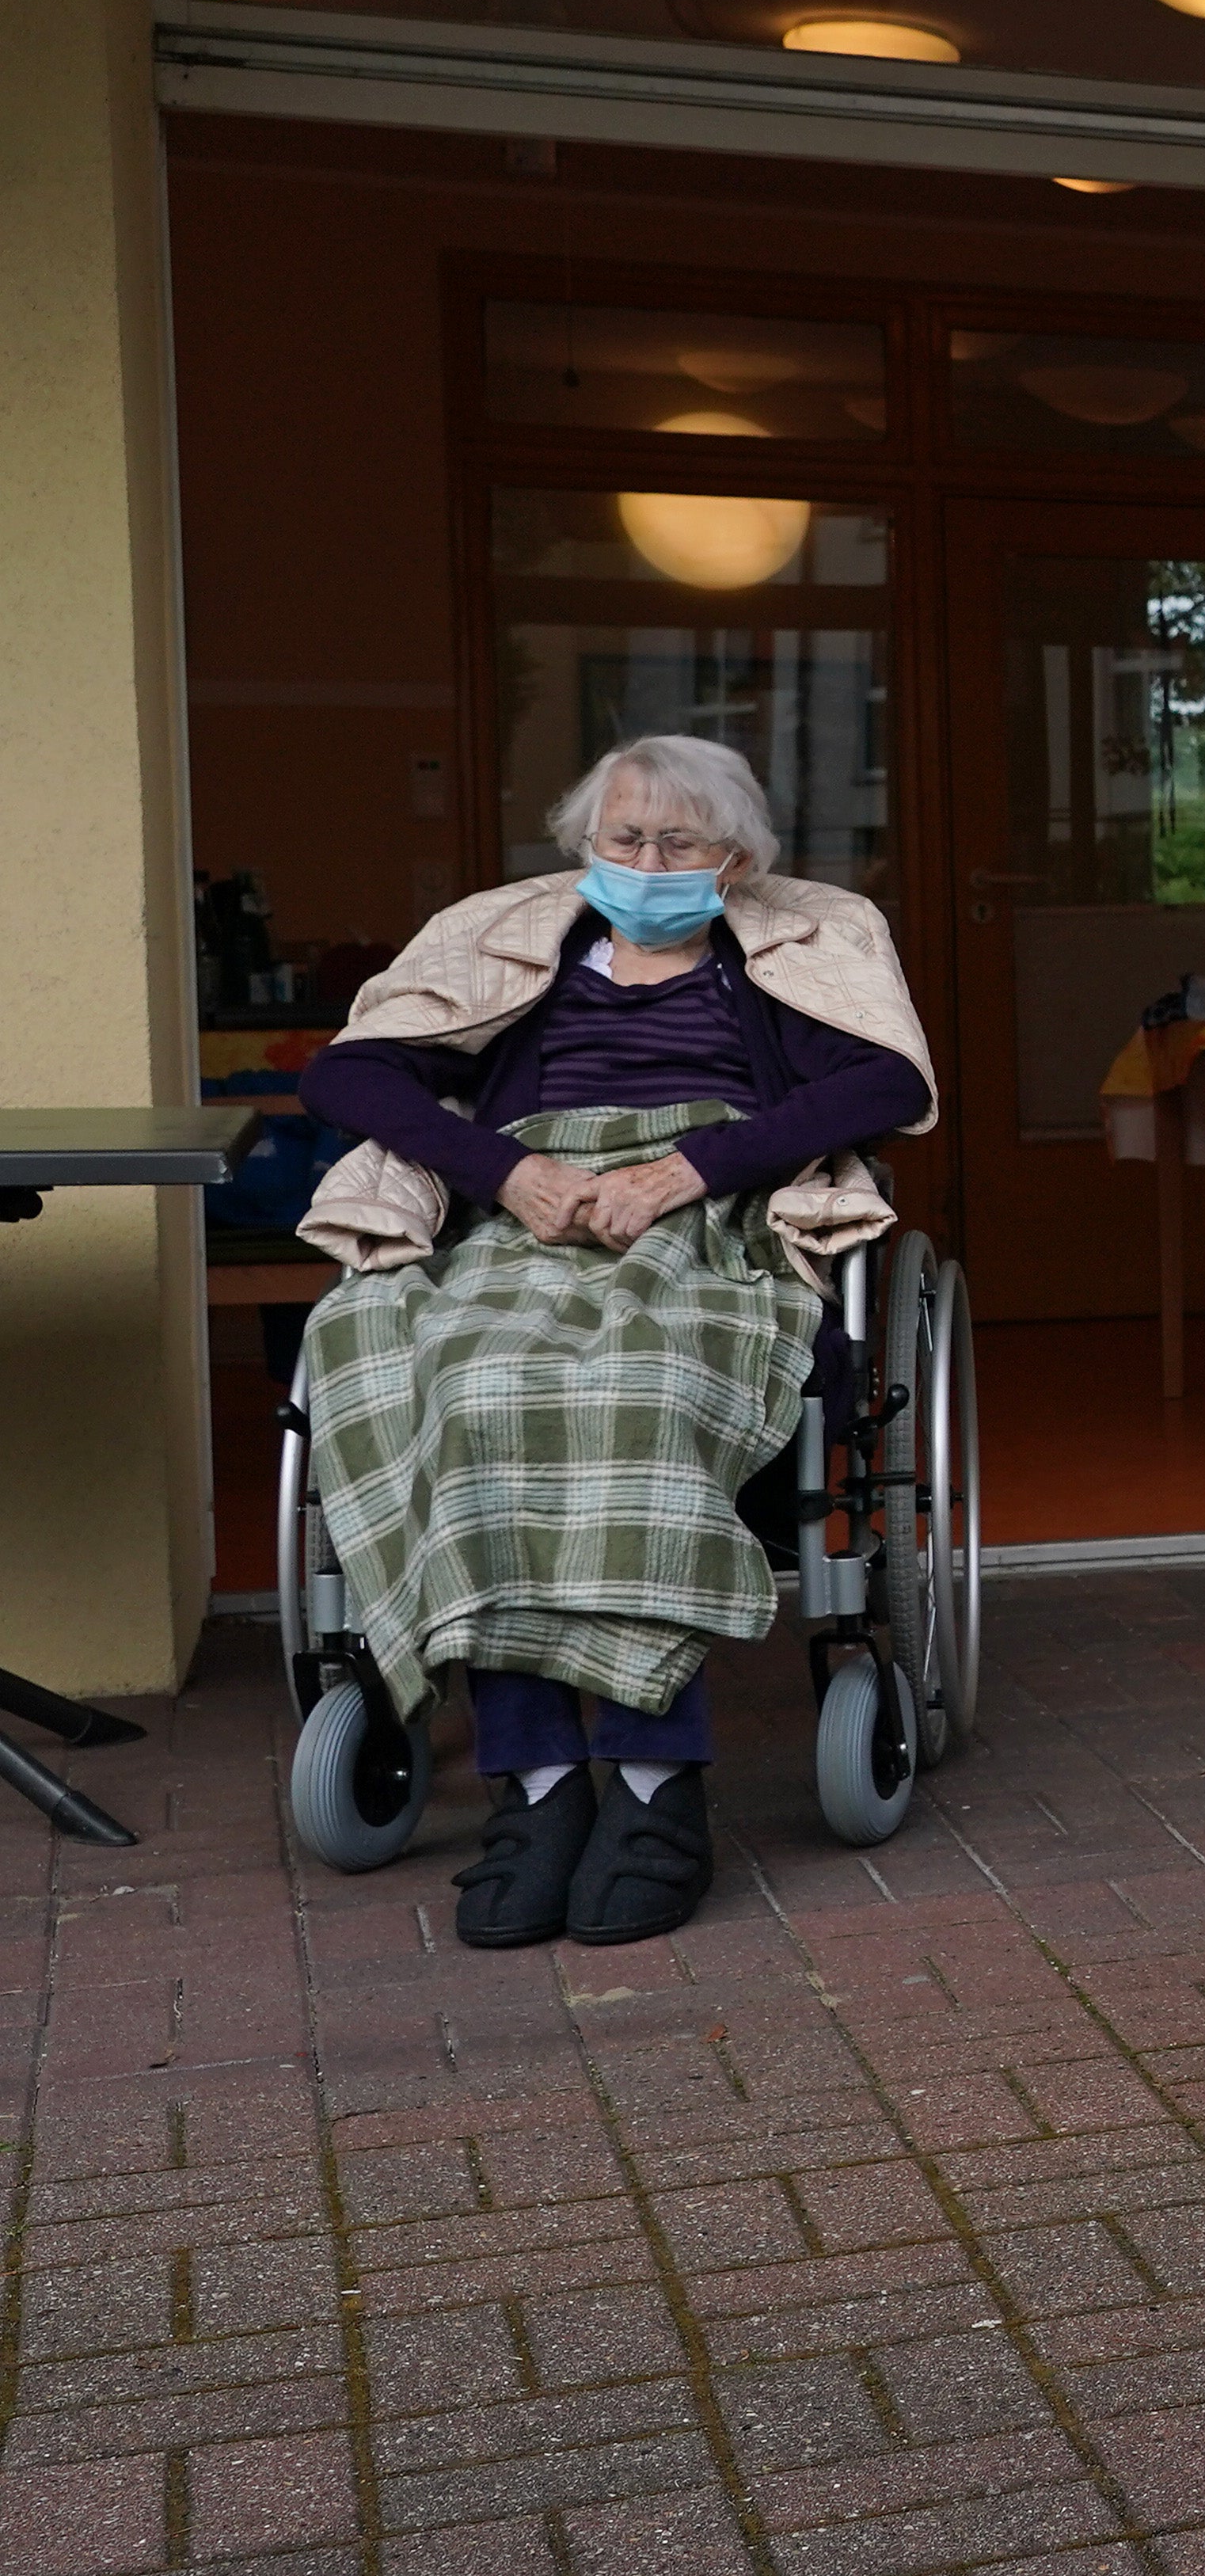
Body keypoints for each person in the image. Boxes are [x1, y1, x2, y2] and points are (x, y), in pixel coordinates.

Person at [296, 736, 936, 1950]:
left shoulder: (786, 957)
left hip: (706, 1215)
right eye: (624, 839)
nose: (647, 862)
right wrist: (507, 1168)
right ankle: (535, 1791)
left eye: (679, 843)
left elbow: (882, 1090)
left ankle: (654, 1791)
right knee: (470, 1387)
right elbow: (350, 1078)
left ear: (735, 861)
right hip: (521, 1216)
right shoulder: (522, 956)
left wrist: (689, 1169)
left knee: (639, 1392)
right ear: (588, 847)